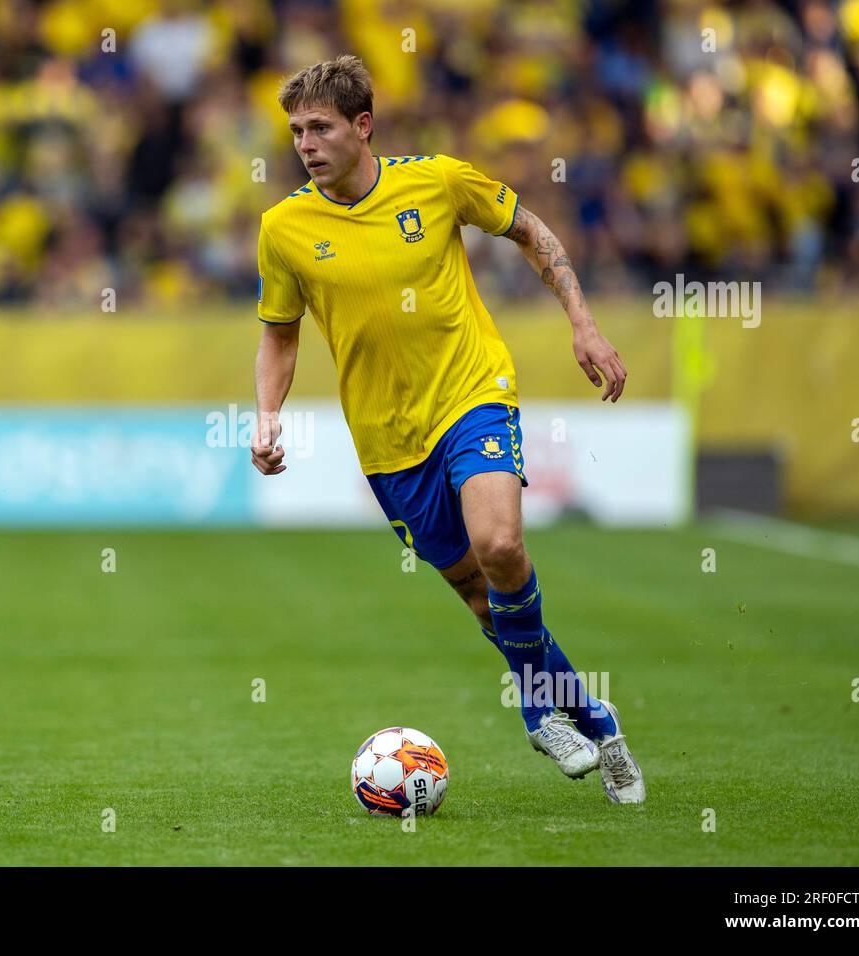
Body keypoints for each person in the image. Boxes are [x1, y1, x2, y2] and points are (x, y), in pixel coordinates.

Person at [251, 54, 645, 804]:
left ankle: (537, 711)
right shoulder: (283, 228)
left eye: (321, 127)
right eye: (297, 129)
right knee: (478, 596)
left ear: (362, 127)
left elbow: (531, 232)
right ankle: (594, 716)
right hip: (385, 440)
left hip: (471, 393)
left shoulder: (436, 181)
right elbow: (279, 331)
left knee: (500, 544)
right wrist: (268, 416)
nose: (305, 142)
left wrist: (584, 325)